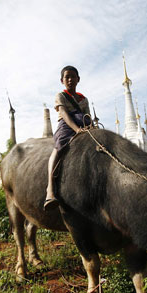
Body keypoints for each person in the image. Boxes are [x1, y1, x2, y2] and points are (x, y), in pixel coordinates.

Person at [44, 66, 91, 210]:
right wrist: (77, 130)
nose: (70, 80)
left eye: (73, 77)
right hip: (66, 126)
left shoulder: (84, 99)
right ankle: (50, 190)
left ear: (78, 79)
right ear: (62, 80)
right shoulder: (60, 96)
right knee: (58, 149)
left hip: (84, 124)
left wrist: (90, 129)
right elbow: (64, 114)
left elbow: (88, 117)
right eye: (67, 77)